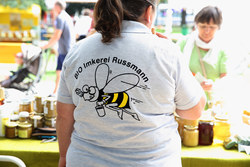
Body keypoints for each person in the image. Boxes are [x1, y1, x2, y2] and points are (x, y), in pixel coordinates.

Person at [56, 0, 206, 167]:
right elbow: (194, 110)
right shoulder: (166, 52)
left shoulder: (78, 51)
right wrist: (175, 57)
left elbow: (64, 115)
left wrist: (63, 156)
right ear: (149, 13)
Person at [177, 6, 228, 106]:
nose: (207, 31)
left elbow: (226, 76)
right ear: (196, 25)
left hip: (213, 101)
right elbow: (175, 68)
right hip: (187, 99)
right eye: (203, 26)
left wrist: (214, 85)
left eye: (212, 27)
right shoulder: (184, 43)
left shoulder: (222, 47)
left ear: (218, 27)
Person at [41, 0, 76, 94]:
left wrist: (45, 46)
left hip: (65, 50)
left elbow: (57, 35)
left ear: (57, 7)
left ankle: (61, 93)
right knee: (59, 72)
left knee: (64, 74)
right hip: (68, 49)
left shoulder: (60, 18)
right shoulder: (67, 16)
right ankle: (56, 91)